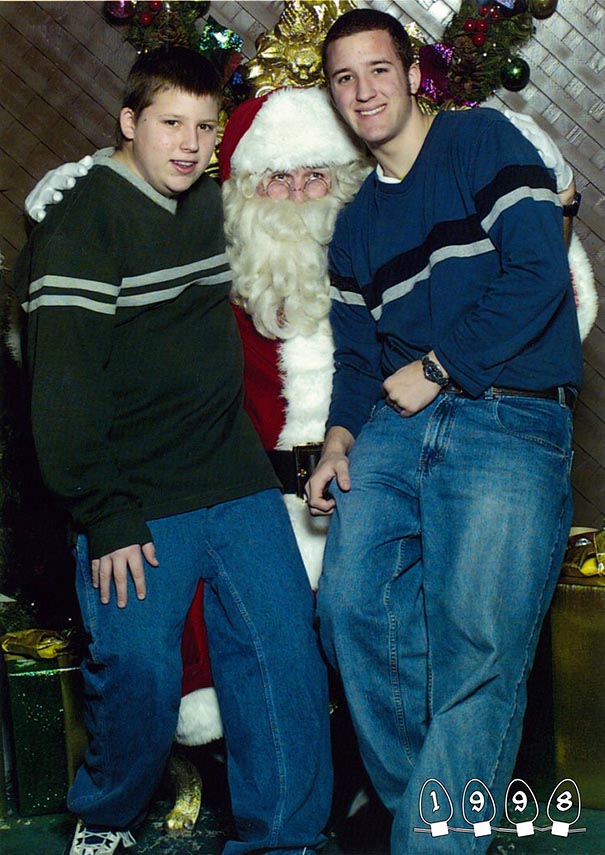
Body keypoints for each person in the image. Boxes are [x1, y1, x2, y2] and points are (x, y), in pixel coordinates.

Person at [14, 46, 332, 855]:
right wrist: (106, 511)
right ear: (129, 123)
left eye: (203, 127)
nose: (187, 144)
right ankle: (108, 817)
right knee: (139, 673)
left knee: (281, 655)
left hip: (232, 475)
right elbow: (60, 392)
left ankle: (284, 837)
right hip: (134, 495)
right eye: (168, 124)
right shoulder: (81, 224)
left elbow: (310, 200)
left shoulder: (211, 203)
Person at [306, 8, 584, 855]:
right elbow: (356, 361)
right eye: (344, 78)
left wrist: (434, 367)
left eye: (377, 70)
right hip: (394, 429)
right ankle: (432, 819)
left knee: (478, 646)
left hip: (508, 414)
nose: (362, 91)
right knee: (350, 608)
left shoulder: (478, 140)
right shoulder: (352, 226)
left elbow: (539, 274)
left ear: (412, 72)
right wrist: (337, 440)